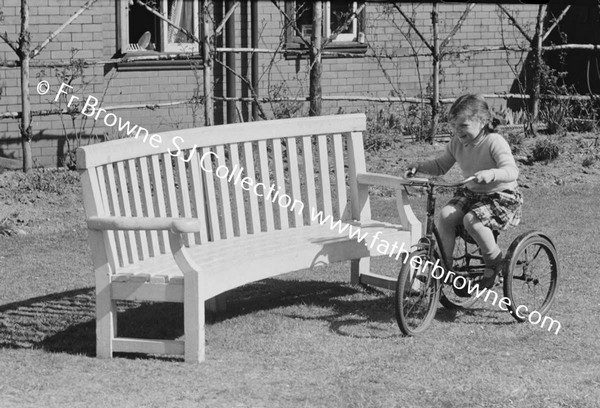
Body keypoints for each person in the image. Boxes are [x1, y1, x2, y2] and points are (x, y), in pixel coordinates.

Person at [407, 94, 522, 294]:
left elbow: (512, 171)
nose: (458, 131)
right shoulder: (457, 143)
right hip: (473, 193)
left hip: (501, 195)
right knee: (445, 216)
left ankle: (494, 261)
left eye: (464, 126)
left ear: (483, 121)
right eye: (454, 126)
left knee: (472, 220)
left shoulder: (494, 141)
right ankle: (445, 267)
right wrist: (419, 167)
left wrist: (491, 174)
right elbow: (441, 166)